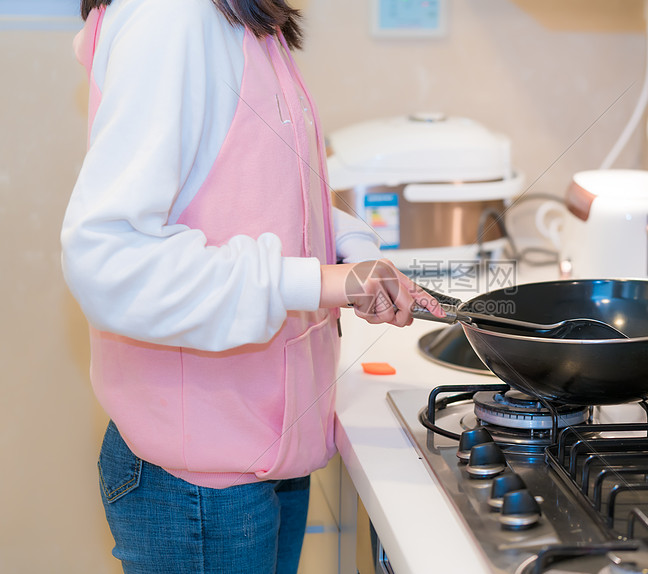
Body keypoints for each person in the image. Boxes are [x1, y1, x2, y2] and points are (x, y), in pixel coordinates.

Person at [61, 0, 443, 572]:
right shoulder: (174, 19)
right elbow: (110, 260)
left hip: (267, 441)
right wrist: (315, 281)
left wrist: (355, 252)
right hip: (200, 483)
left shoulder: (242, 22)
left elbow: (268, 195)